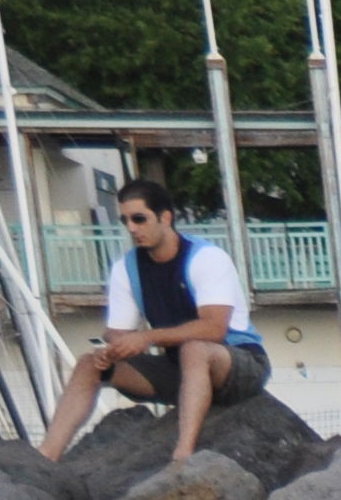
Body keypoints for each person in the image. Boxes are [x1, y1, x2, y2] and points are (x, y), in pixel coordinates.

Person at [39, 179, 267, 466]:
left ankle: (184, 454)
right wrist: (115, 348)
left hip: (238, 364)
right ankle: (47, 456)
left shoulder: (206, 258)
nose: (132, 228)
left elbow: (214, 328)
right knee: (89, 364)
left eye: (139, 219)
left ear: (165, 218)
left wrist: (146, 338)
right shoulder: (127, 267)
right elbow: (118, 331)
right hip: (180, 371)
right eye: (125, 221)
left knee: (195, 348)